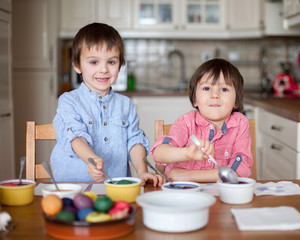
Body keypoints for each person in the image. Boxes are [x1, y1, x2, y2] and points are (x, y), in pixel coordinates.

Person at [50, 22, 164, 186]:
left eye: (111, 62)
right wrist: (92, 159)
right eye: (94, 62)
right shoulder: (69, 101)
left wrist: (141, 171)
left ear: (120, 65)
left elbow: (134, 141)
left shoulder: (126, 105)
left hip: (115, 187)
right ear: (77, 65)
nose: (104, 69)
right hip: (72, 186)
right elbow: (75, 137)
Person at [151, 58, 253, 182]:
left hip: (221, 195)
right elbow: (159, 153)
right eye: (206, 88)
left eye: (224, 89)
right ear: (194, 99)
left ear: (236, 101)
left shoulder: (240, 124)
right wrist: (186, 153)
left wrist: (187, 176)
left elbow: (240, 171)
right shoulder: (186, 122)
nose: (214, 95)